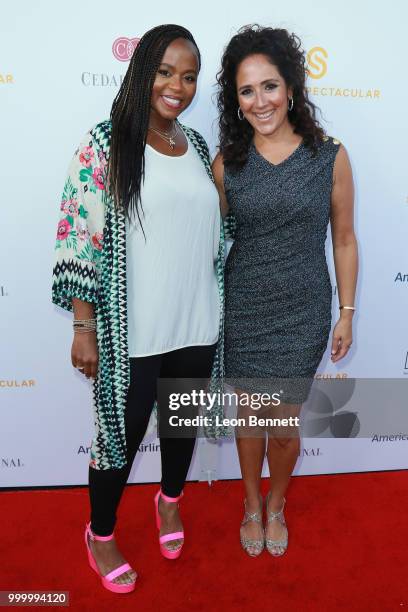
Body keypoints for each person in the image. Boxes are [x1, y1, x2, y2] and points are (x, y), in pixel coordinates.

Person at [52, 24, 225, 593]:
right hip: (132, 330)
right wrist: (84, 326)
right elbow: (80, 237)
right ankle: (100, 535)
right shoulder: (105, 142)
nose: (179, 86)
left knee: (182, 427)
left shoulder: (197, 147)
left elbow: (213, 233)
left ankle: (169, 502)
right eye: (166, 71)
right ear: (142, 71)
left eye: (190, 75)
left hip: (196, 321)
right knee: (117, 439)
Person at [212, 25, 358, 557]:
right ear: (236, 99)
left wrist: (346, 312)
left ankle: (277, 503)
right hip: (245, 308)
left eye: (269, 86)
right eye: (246, 91)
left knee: (283, 423)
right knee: (248, 418)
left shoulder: (329, 156)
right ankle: (252, 505)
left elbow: (343, 238)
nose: (260, 101)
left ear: (291, 88)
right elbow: (207, 244)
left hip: (303, 310)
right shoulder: (229, 164)